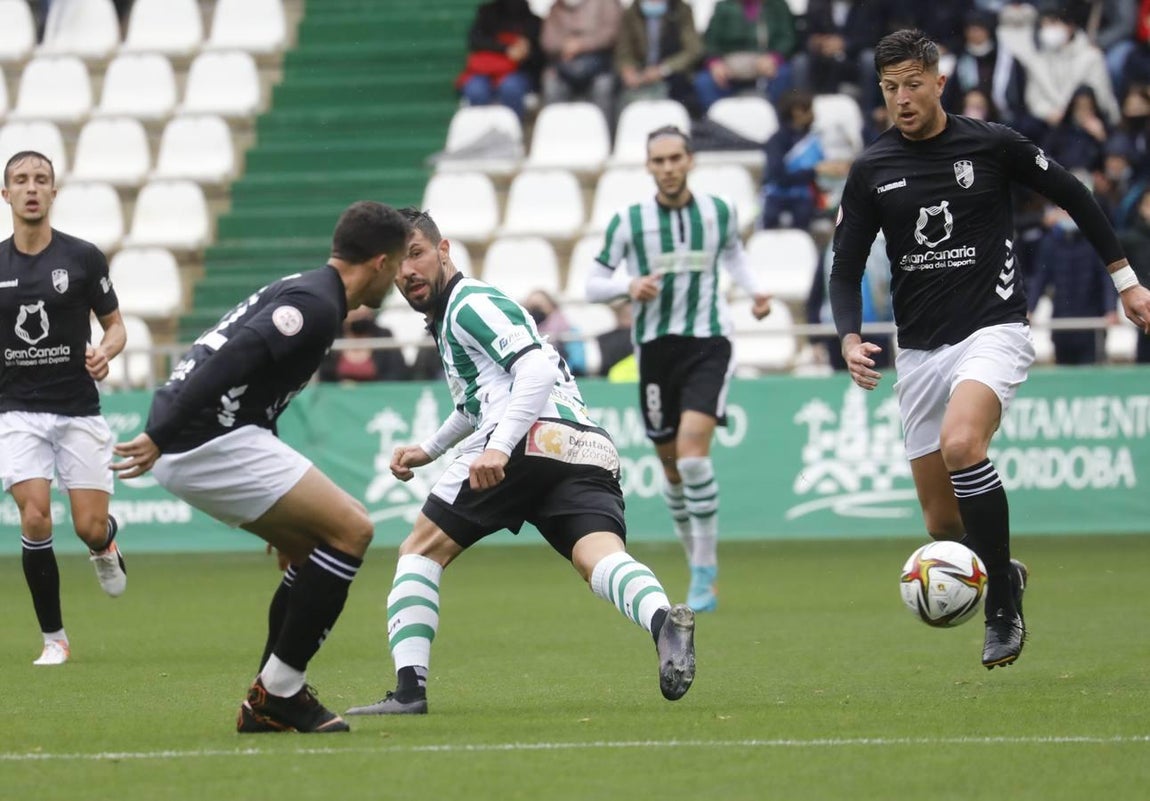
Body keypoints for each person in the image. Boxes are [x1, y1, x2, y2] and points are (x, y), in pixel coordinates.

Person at [829, 30, 1150, 670]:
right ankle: (1006, 570)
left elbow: (1077, 196)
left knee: (963, 446)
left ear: (939, 81)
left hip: (993, 330)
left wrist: (1127, 281)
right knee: (943, 526)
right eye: (890, 88)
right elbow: (844, 268)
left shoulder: (992, 144)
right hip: (919, 351)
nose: (902, 99)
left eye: (913, 84)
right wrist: (848, 335)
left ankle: (1000, 601)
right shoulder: (872, 169)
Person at [343, 208, 696, 716]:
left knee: (419, 551)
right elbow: (475, 403)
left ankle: (408, 691)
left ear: (444, 251)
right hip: (581, 443)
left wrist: (499, 447)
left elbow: (536, 365)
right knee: (597, 556)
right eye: (398, 263)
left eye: (417, 254)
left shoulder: (469, 302)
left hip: (525, 438)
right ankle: (665, 622)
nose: (408, 272)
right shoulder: (451, 320)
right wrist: (430, 449)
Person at [112, 201, 412, 733]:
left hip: (215, 433)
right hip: (203, 438)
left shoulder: (309, 289)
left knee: (314, 545)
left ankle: (268, 702)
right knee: (353, 529)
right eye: (400, 262)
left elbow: (254, 392)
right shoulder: (317, 306)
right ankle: (280, 691)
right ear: (380, 263)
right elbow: (232, 359)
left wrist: (281, 510)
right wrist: (159, 434)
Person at [585, 125, 772, 613]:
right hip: (654, 350)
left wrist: (754, 292)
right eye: (658, 161)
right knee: (671, 470)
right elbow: (592, 283)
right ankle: (696, 564)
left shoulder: (719, 212)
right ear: (648, 167)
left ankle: (705, 572)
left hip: (709, 342)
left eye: (675, 158)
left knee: (691, 457)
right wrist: (629, 285)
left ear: (690, 160)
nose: (667, 168)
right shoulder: (630, 221)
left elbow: (732, 253)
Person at [0, 150, 128, 666]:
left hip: (77, 409)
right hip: (15, 411)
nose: (32, 188)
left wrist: (105, 351)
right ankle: (55, 638)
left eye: (42, 180)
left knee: (87, 527)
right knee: (34, 517)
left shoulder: (82, 258)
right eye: (21, 180)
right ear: (6, 194)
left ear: (54, 192)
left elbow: (116, 325)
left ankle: (107, 544)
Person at [1028, 185, 1119, 365]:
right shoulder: (1050, 243)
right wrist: (1030, 310)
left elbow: (1106, 278)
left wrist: (1111, 310)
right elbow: (1040, 278)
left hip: (1092, 322)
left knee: (1091, 374)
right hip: (1061, 321)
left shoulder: (1095, 242)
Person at [761, 90, 850, 230]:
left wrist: (835, 169)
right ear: (797, 112)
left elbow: (822, 168)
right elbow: (778, 176)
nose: (813, 114)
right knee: (771, 216)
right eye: (809, 110)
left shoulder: (813, 138)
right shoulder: (777, 141)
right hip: (777, 195)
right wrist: (815, 171)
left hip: (806, 197)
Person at [694, 0, 798, 111]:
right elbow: (711, 42)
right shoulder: (723, 7)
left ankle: (776, 119)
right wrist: (715, 63)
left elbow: (787, 38)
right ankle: (716, 123)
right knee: (704, 82)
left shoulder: (777, 5)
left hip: (766, 62)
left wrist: (774, 58)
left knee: (783, 75)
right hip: (729, 64)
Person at [456, 0, 544, 120]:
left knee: (511, 88)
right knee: (475, 89)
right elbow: (475, 41)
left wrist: (526, 52)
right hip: (486, 71)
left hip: (519, 72)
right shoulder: (487, 13)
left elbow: (541, 56)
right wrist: (506, 49)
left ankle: (513, 131)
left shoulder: (533, 22)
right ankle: (480, 131)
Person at [614, 0, 703, 115]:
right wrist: (627, 69)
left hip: (672, 75)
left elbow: (693, 51)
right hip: (640, 74)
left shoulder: (681, 10)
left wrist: (663, 69)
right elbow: (623, 51)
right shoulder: (632, 12)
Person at [539, 0, 622, 122]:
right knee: (550, 82)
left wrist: (582, 45)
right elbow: (546, 41)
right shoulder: (556, 7)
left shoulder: (607, 3)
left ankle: (604, 136)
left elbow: (611, 34)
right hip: (564, 67)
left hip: (599, 65)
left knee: (603, 86)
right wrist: (564, 46)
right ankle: (556, 133)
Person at [317, 305, 411, 383]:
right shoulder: (332, 337)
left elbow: (397, 373)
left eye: (363, 305)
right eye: (355, 305)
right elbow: (324, 376)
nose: (359, 310)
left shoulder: (384, 336)